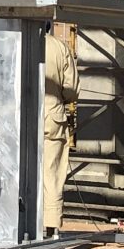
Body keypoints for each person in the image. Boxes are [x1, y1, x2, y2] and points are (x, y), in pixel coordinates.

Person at [42, 24, 80, 234]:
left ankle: (22, 223)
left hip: (19, 116)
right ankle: (51, 227)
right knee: (52, 173)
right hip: (52, 116)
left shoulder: (15, 42)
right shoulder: (59, 47)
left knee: (20, 171)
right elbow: (72, 89)